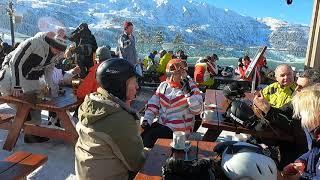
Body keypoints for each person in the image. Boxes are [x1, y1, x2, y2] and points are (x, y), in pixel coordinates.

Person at [75, 58, 145, 180]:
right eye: (134, 82)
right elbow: (137, 164)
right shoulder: (120, 119)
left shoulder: (91, 103)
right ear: (120, 85)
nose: (137, 87)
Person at [0, 30, 67, 143]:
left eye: (60, 49)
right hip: (10, 75)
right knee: (21, 105)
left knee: (36, 103)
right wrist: (17, 85)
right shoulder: (34, 43)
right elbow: (15, 62)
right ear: (51, 42)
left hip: (30, 77)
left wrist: (54, 90)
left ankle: (31, 133)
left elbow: (49, 72)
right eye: (56, 47)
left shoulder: (56, 55)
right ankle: (22, 126)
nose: (57, 51)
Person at [253, 69, 320, 168]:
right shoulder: (297, 99)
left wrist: (269, 111)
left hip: (299, 150)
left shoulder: (315, 111)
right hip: (303, 158)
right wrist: (263, 109)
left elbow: (297, 129)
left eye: (301, 87)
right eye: (297, 85)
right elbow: (283, 111)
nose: (296, 89)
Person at [141, 59, 203, 148]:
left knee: (149, 138)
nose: (172, 77)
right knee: (141, 134)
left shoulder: (191, 87)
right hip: (162, 123)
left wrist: (188, 93)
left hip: (179, 130)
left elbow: (197, 110)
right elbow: (152, 106)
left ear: (184, 73)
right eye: (171, 74)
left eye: (178, 73)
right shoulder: (164, 85)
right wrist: (147, 121)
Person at [281, 84, 320, 179]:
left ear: (315, 113)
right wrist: (301, 162)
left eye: (302, 112)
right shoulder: (315, 132)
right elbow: (314, 152)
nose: (300, 117)